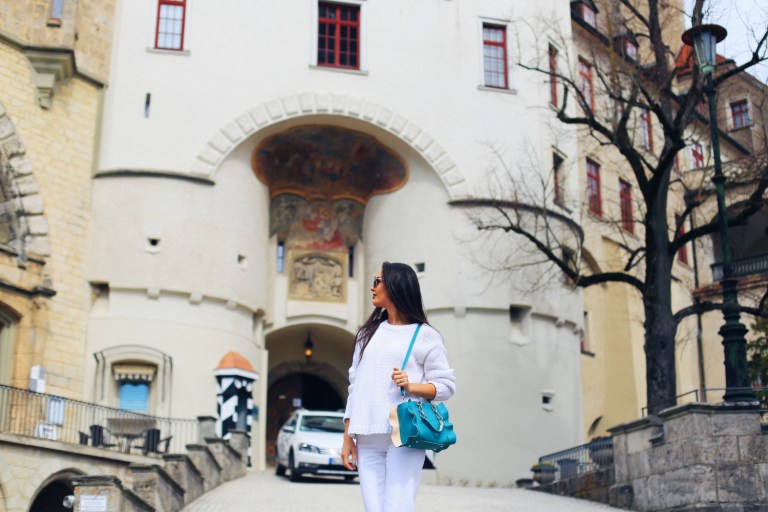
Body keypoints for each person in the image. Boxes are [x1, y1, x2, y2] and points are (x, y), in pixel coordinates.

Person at [342, 261, 455, 512]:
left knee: (397, 507)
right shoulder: (366, 334)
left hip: (403, 434)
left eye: (377, 281)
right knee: (374, 508)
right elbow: (354, 387)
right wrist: (347, 437)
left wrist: (412, 386)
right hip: (366, 434)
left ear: (395, 285)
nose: (373, 288)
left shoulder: (425, 335)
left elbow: (446, 386)